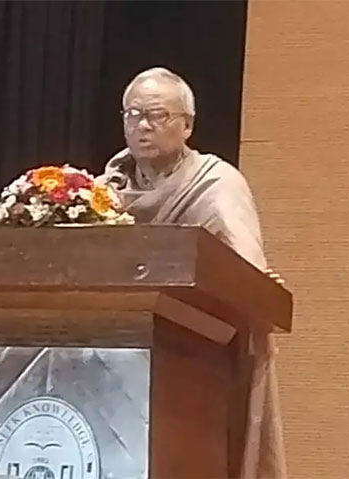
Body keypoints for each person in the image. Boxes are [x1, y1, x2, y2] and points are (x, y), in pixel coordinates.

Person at [100, 67, 286, 478]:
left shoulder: (214, 184)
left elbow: (243, 266)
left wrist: (257, 287)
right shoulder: (103, 192)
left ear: (187, 126)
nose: (142, 126)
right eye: (133, 114)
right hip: (115, 353)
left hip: (197, 356)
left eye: (157, 115)